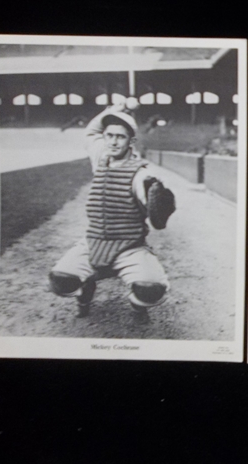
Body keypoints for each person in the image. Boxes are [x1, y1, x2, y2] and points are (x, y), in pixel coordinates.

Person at [48, 99, 174, 324]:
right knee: (61, 280)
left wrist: (157, 197)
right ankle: (85, 293)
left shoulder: (141, 173)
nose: (114, 141)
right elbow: (91, 131)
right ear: (105, 137)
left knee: (151, 289)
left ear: (131, 141)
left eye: (121, 136)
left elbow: (153, 202)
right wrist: (111, 111)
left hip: (129, 246)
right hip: (93, 243)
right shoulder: (100, 157)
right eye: (110, 135)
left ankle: (138, 307)